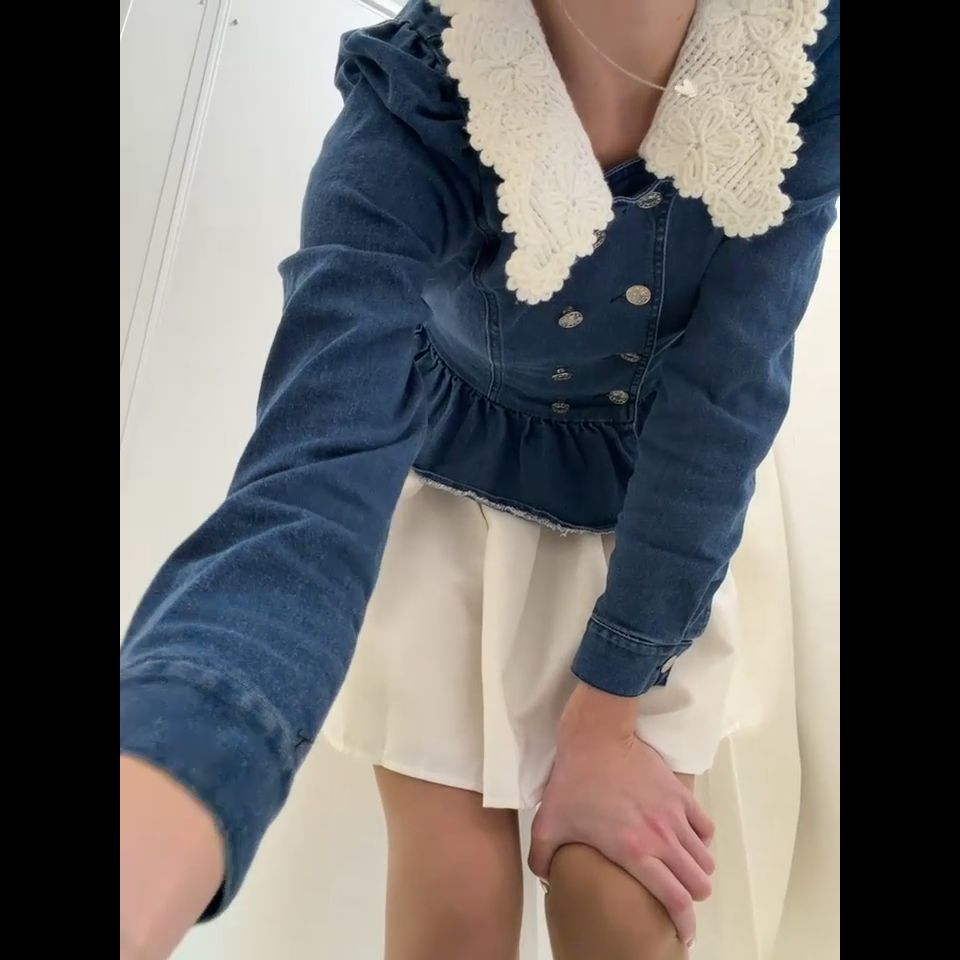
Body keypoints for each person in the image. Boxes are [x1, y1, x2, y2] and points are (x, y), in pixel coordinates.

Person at [119, 1, 841, 957]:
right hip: (456, 498)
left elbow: (723, 402)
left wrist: (610, 707)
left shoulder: (792, 59)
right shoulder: (417, 101)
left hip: (654, 521)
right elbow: (305, 490)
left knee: (622, 906)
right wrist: (169, 768)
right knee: (452, 905)